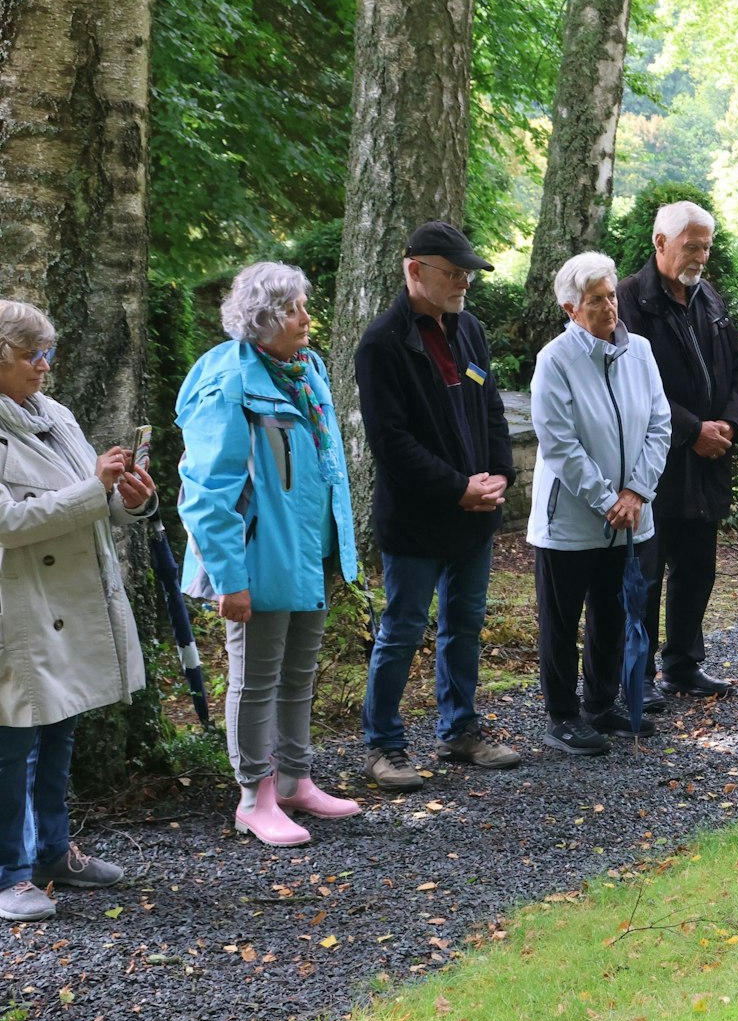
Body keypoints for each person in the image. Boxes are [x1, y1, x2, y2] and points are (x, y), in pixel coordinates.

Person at [178, 263, 362, 846]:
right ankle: (253, 797)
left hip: (306, 552)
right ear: (260, 320)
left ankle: (295, 780)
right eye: (293, 310)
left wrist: (339, 548)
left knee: (298, 672)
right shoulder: (228, 380)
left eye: (304, 305)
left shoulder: (306, 370)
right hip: (257, 559)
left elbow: (326, 465)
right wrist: (230, 579)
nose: (307, 318)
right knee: (254, 678)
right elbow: (207, 492)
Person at [353, 221, 522, 791]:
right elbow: (392, 443)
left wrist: (500, 474)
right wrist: (457, 488)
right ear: (414, 270)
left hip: (475, 516)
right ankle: (384, 746)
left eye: (468, 274)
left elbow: (491, 411)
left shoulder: (469, 330)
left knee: (464, 625)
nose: (464, 284)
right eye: (453, 273)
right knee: (401, 629)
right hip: (419, 519)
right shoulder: (382, 343)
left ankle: (461, 731)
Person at [0, 299, 150, 921]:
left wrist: (130, 497)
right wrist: (95, 490)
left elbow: (93, 498)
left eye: (49, 354)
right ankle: (9, 873)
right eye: (33, 356)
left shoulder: (53, 414)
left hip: (72, 599)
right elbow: (8, 522)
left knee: (62, 726)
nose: (44, 367)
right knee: (12, 744)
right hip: (19, 604)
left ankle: (53, 851)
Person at [528, 252, 672, 752]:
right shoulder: (555, 361)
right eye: (595, 300)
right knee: (562, 621)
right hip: (570, 520)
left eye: (611, 296)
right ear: (571, 309)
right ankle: (562, 715)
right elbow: (559, 443)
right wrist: (607, 499)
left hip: (633, 515)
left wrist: (636, 493)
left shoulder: (642, 353)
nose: (609, 307)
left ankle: (602, 703)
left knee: (615, 613)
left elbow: (660, 424)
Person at [615, 201, 738, 702]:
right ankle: (640, 674)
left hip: (710, 458)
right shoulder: (629, 300)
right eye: (692, 245)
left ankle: (685, 664)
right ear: (660, 243)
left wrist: (731, 427)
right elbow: (634, 385)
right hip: (659, 461)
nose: (701, 256)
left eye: (706, 246)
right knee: (647, 572)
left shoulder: (708, 298)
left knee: (698, 567)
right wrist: (693, 429)